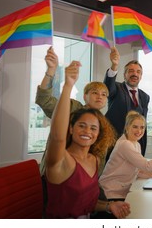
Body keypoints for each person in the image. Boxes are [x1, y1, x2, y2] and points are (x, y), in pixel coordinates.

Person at [44, 60, 130, 219]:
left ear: (100, 133)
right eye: (81, 125)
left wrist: (109, 206)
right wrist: (67, 85)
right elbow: (57, 137)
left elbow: (87, 201)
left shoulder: (94, 159)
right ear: (70, 127)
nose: (87, 131)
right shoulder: (64, 158)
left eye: (93, 128)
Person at [36, 46, 117, 176]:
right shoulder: (73, 107)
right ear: (85, 96)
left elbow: (100, 160)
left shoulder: (104, 124)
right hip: (59, 175)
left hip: (86, 180)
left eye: (104, 94)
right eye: (95, 92)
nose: (99, 96)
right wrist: (51, 70)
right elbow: (44, 100)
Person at [99, 111, 152, 203]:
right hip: (109, 194)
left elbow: (139, 171)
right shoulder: (125, 144)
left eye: (142, 127)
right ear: (127, 127)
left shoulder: (136, 144)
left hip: (121, 192)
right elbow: (148, 167)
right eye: (135, 127)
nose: (139, 131)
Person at [103, 47, 150, 158]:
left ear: (141, 76)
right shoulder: (116, 88)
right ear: (124, 75)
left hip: (135, 147)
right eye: (131, 71)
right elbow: (108, 88)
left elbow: (143, 124)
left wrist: (141, 151)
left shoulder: (145, 97)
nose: (135, 74)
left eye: (138, 72)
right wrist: (114, 66)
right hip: (113, 146)